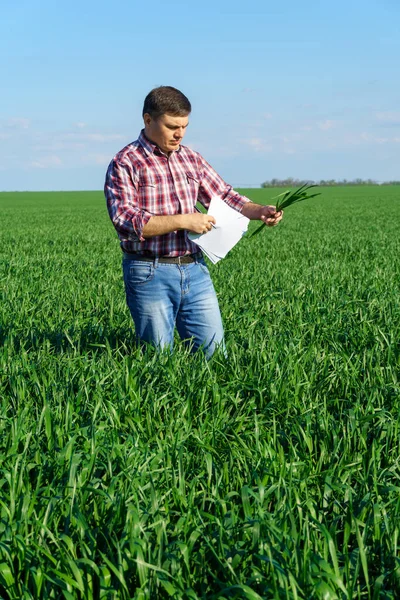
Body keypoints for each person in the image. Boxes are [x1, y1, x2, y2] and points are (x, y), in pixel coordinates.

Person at [104, 86, 282, 358]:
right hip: (148, 271)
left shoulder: (191, 158)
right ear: (148, 120)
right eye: (172, 126)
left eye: (184, 126)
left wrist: (259, 211)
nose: (179, 134)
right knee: (158, 359)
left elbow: (223, 195)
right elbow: (125, 220)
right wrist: (183, 221)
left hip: (194, 269)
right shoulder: (126, 162)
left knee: (214, 355)